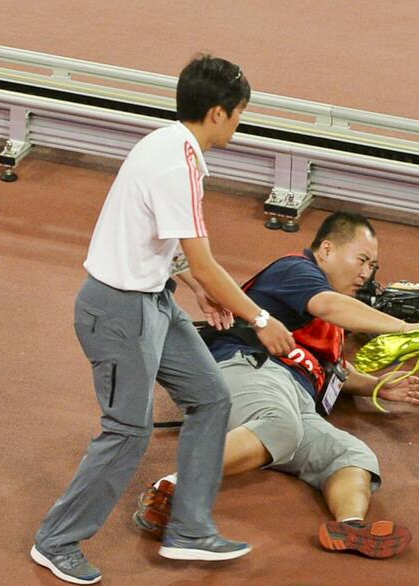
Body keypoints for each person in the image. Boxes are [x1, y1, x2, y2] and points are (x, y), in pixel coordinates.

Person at [31, 55, 296, 585]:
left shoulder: (171, 144)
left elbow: (168, 245)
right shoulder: (178, 163)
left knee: (212, 397)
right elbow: (205, 259)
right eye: (240, 113)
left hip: (153, 299)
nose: (241, 123)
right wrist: (259, 316)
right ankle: (56, 540)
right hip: (117, 311)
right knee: (128, 430)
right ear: (219, 113)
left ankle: (190, 527)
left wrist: (196, 288)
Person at [134, 211, 419, 559]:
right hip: (248, 367)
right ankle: (171, 490)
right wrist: (407, 329)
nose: (366, 274)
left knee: (352, 455)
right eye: (361, 260)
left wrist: (377, 387)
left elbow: (328, 371)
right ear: (326, 250)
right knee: (279, 425)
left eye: (372, 266)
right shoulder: (297, 270)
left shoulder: (331, 323)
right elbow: (330, 305)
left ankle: (350, 525)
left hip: (297, 396)